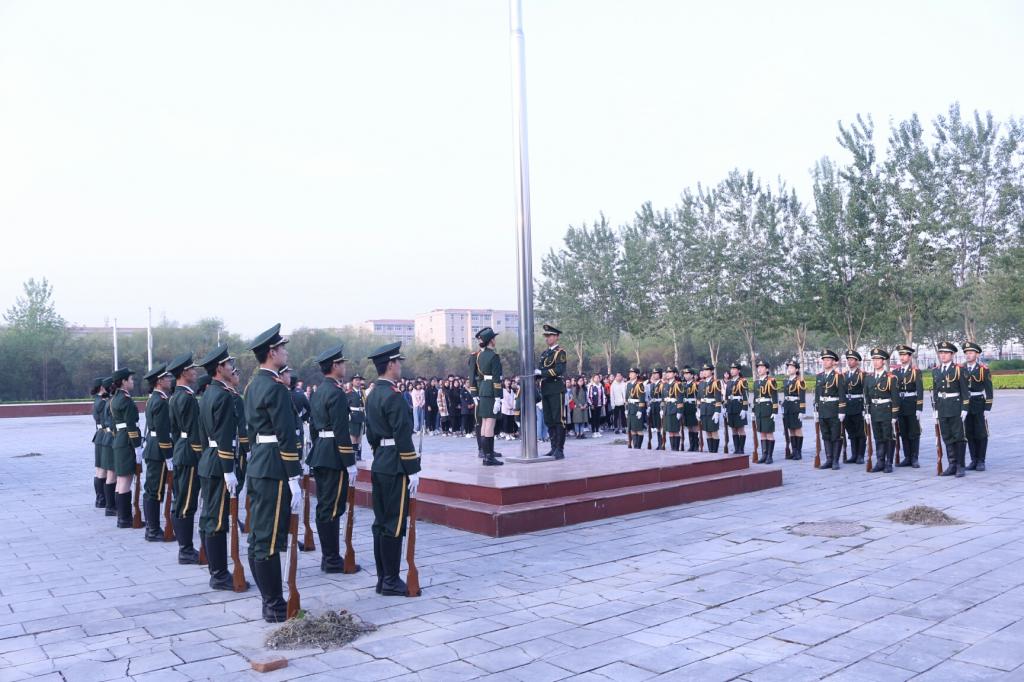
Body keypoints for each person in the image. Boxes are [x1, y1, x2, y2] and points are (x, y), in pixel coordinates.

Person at [244, 324, 301, 622]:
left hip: (259, 462)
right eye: (282, 348)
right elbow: (285, 434)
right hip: (275, 465)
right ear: (272, 352)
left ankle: (270, 601)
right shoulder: (276, 387)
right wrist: (294, 476)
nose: (285, 352)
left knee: (259, 535)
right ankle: (274, 605)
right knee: (267, 537)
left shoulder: (252, 385)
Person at [365, 342, 421, 596]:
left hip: (381, 461)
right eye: (398, 362)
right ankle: (390, 580)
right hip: (396, 463)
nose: (400, 366)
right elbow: (402, 435)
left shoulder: (372, 394)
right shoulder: (393, 396)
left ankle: (383, 578)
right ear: (390, 365)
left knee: (381, 522)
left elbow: (371, 434)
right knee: (394, 524)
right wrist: (412, 468)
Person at [196, 344, 245, 591]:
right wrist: (228, 469)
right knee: (216, 521)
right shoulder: (223, 396)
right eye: (228, 364)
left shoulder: (208, 394)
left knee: (209, 517)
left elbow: (203, 434)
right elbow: (225, 436)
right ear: (219, 368)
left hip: (209, 459)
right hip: (219, 463)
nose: (231, 367)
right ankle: (219, 575)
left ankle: (216, 571)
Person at [308, 344, 358, 573]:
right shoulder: (336, 392)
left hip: (321, 451)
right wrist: (349, 462)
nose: (344, 366)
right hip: (334, 455)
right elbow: (341, 430)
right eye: (342, 363)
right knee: (332, 507)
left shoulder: (319, 391)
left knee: (324, 505)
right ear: (334, 366)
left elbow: (313, 427)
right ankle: (331, 559)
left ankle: (329, 557)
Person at [168, 354, 202, 564]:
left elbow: (173, 430)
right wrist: (200, 456)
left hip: (181, 449)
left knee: (181, 499)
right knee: (187, 502)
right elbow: (194, 431)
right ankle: (186, 550)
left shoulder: (174, 396)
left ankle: (185, 548)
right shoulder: (187, 398)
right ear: (183, 373)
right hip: (190, 453)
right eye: (191, 369)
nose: (195, 372)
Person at [141, 364, 174, 542]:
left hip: (154, 447)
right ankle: (153, 530)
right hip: (159, 450)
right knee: (154, 490)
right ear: (159, 381)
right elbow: (162, 431)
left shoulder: (154, 398)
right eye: (167, 378)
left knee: (152, 489)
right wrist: (168, 455)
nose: (170, 380)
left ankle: (151, 527)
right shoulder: (160, 401)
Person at [109, 367, 142, 529]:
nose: (132, 382)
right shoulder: (126, 400)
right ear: (123, 382)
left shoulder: (114, 399)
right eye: (130, 379)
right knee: (126, 480)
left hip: (119, 440)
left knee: (121, 480)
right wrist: (137, 447)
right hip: (127, 441)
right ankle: (125, 519)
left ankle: (122, 517)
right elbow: (131, 425)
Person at [932, 340, 969, 478]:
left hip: (955, 407)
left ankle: (960, 466)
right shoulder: (936, 370)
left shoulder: (959, 369)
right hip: (942, 407)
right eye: (941, 352)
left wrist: (965, 408)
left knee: (958, 436)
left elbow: (965, 391)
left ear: (952, 354)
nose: (943, 355)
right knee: (946, 436)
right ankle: (952, 464)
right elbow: (935, 391)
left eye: (946, 353)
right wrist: (935, 409)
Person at [472, 327, 504, 466]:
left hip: (483, 390)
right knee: (490, 424)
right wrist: (498, 398)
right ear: (491, 340)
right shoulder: (493, 356)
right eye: (494, 338)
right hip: (491, 391)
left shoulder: (479, 356)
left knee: (484, 424)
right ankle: (489, 457)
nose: (495, 340)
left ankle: (486, 456)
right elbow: (496, 379)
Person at [535, 324, 568, 459]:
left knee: (558, 419)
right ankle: (553, 448)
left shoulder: (560, 353)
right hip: (545, 388)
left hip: (555, 388)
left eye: (549, 336)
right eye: (546, 336)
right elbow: (540, 370)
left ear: (556, 337)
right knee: (549, 419)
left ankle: (559, 449)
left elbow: (559, 370)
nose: (547, 338)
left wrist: (542, 373)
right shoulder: (545, 353)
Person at [865, 347, 899, 474]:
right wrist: (867, 412)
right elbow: (866, 397)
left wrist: (894, 415)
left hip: (886, 411)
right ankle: (880, 462)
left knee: (888, 437)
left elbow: (895, 398)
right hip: (874, 411)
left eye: (878, 359)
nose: (875, 362)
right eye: (873, 359)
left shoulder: (890, 378)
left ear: (883, 361)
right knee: (878, 437)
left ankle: (889, 462)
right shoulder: (869, 378)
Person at [962, 341, 993, 471]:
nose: (968, 355)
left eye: (971, 353)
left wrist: (987, 408)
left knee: (981, 433)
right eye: (966, 353)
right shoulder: (961, 368)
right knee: (969, 433)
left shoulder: (983, 370)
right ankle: (973, 460)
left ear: (977, 354)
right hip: (965, 405)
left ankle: (981, 460)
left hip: (979, 403)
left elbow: (989, 390)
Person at [815, 349, 847, 470]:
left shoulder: (838, 376)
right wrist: (816, 408)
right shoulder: (819, 376)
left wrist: (842, 411)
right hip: (823, 410)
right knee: (825, 435)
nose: (825, 362)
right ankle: (829, 459)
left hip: (834, 410)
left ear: (833, 362)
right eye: (824, 360)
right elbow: (817, 394)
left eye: (828, 360)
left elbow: (842, 394)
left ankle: (835, 460)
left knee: (836, 435)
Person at [893, 344, 923, 468]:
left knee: (914, 432)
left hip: (911, 404)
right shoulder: (895, 372)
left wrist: (919, 408)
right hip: (900, 405)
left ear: (910, 357)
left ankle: (914, 457)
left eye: (904, 355)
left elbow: (920, 390)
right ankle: (907, 457)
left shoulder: (915, 371)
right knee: (903, 432)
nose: (902, 357)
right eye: (900, 355)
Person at [842, 350, 867, 465]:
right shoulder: (844, 375)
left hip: (858, 405)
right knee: (851, 432)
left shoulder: (862, 375)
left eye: (852, 360)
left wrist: (866, 409)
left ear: (857, 361)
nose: (849, 362)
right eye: (848, 360)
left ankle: (860, 455)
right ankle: (854, 455)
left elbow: (866, 392)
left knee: (860, 432)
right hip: (847, 406)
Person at [752, 360, 778, 463]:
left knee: (769, 433)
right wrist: (753, 410)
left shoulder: (771, 381)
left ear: (766, 369)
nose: (759, 369)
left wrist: (775, 411)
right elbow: (755, 398)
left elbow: (774, 396)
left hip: (768, 409)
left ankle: (769, 456)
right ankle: (764, 455)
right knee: (762, 433)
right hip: (759, 410)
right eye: (758, 367)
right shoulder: (756, 382)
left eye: (762, 367)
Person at [782, 359, 806, 460]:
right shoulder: (786, 381)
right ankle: (794, 451)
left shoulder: (799, 381)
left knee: (797, 429)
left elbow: (802, 397)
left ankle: (799, 452)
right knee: (791, 430)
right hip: (788, 407)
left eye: (792, 367)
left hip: (796, 407)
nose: (789, 369)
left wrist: (802, 411)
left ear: (796, 369)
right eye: (788, 367)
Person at [90, 377, 108, 509]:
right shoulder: (102, 402)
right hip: (104, 435)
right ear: (102, 388)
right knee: (102, 469)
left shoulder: (97, 400)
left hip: (99, 435)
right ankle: (102, 499)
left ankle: (100, 499)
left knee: (99, 469)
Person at [698, 363, 723, 453]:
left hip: (712, 410)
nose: (704, 372)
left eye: (707, 370)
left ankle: (714, 452)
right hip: (704, 410)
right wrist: (698, 409)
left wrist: (717, 412)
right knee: (707, 431)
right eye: (704, 370)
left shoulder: (716, 382)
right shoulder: (701, 383)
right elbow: (699, 398)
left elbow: (718, 398)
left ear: (711, 371)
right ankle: (710, 452)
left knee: (714, 431)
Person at [661, 366, 684, 450]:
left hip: (674, 410)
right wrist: (662, 409)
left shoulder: (678, 384)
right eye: (667, 372)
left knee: (675, 431)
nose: (668, 374)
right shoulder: (665, 385)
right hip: (667, 409)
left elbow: (680, 398)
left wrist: (679, 411)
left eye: (670, 372)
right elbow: (663, 398)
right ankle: (672, 449)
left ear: (675, 374)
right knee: (670, 431)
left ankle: (676, 449)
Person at [625, 367, 646, 449]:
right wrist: (626, 409)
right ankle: (635, 446)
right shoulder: (628, 384)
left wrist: (640, 410)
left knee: (639, 430)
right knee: (632, 429)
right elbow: (627, 398)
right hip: (630, 409)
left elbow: (642, 398)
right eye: (630, 373)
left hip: (637, 409)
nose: (630, 374)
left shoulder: (640, 384)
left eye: (632, 373)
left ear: (637, 374)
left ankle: (638, 447)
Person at [681, 367, 700, 451]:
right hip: (686, 407)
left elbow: (698, 397)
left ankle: (696, 445)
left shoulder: (695, 384)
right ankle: (691, 445)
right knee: (689, 426)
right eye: (684, 374)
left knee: (694, 426)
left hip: (693, 407)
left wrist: (698, 409)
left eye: (687, 374)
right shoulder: (683, 385)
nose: (685, 375)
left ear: (692, 375)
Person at [347, 375, 366, 460]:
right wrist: (348, 415)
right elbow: (345, 406)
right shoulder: (349, 393)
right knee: (353, 437)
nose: (358, 382)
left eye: (359, 380)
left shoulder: (363, 393)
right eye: (356, 380)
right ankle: (353, 455)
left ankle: (359, 455)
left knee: (360, 437)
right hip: (353, 417)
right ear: (352, 382)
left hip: (361, 416)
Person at [647, 368, 665, 449]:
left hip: (659, 406)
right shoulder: (652, 385)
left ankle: (662, 444)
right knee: (657, 426)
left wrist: (662, 408)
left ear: (659, 374)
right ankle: (659, 444)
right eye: (653, 373)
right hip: (653, 406)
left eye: (656, 373)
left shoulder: (662, 384)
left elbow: (663, 397)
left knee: (661, 426)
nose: (653, 375)